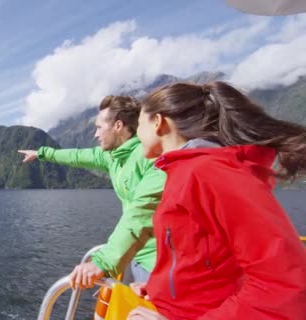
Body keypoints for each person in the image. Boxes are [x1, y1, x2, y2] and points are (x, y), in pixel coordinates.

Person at [128, 81, 306, 320]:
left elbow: (285, 284)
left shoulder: (208, 171)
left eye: (139, 124)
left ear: (158, 122)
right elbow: (204, 257)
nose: (136, 134)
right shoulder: (185, 170)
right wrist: (157, 290)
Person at [18, 95, 166, 286]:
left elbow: (142, 213)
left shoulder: (149, 156)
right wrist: (41, 153)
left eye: (98, 127)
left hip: (156, 263)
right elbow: (77, 155)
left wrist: (104, 262)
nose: (95, 134)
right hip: (133, 253)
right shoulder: (112, 156)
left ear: (118, 126)